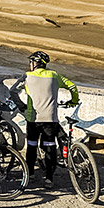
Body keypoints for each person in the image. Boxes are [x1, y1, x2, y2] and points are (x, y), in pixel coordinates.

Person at [24, 50, 79, 187]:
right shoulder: (54, 75)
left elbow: (13, 91)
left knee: (31, 146)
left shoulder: (27, 76)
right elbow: (72, 86)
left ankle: (30, 174)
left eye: (31, 62)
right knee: (50, 147)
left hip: (33, 118)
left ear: (35, 63)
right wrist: (73, 101)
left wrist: (22, 106)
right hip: (50, 118)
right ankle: (49, 178)